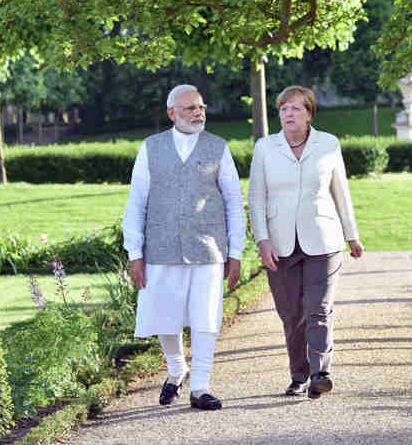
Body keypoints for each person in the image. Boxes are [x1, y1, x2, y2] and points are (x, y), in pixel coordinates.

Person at [122, 84, 245, 411]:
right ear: (171, 113)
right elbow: (136, 203)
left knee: (206, 318)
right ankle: (176, 370)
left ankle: (201, 387)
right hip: (160, 247)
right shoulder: (151, 148)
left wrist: (235, 253)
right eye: (190, 108)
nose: (198, 113)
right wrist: (134, 252)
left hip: (208, 248)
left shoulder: (218, 148)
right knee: (164, 317)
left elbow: (234, 202)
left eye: (201, 107)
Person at [248, 85, 363, 399]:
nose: (288, 113)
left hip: (323, 240)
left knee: (318, 308)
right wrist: (262, 241)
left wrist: (351, 235)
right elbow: (256, 198)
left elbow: (341, 191)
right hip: (281, 244)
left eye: (296, 108)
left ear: (310, 113)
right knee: (291, 314)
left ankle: (320, 372)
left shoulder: (328, 144)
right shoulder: (265, 148)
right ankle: (299, 375)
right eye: (284, 108)